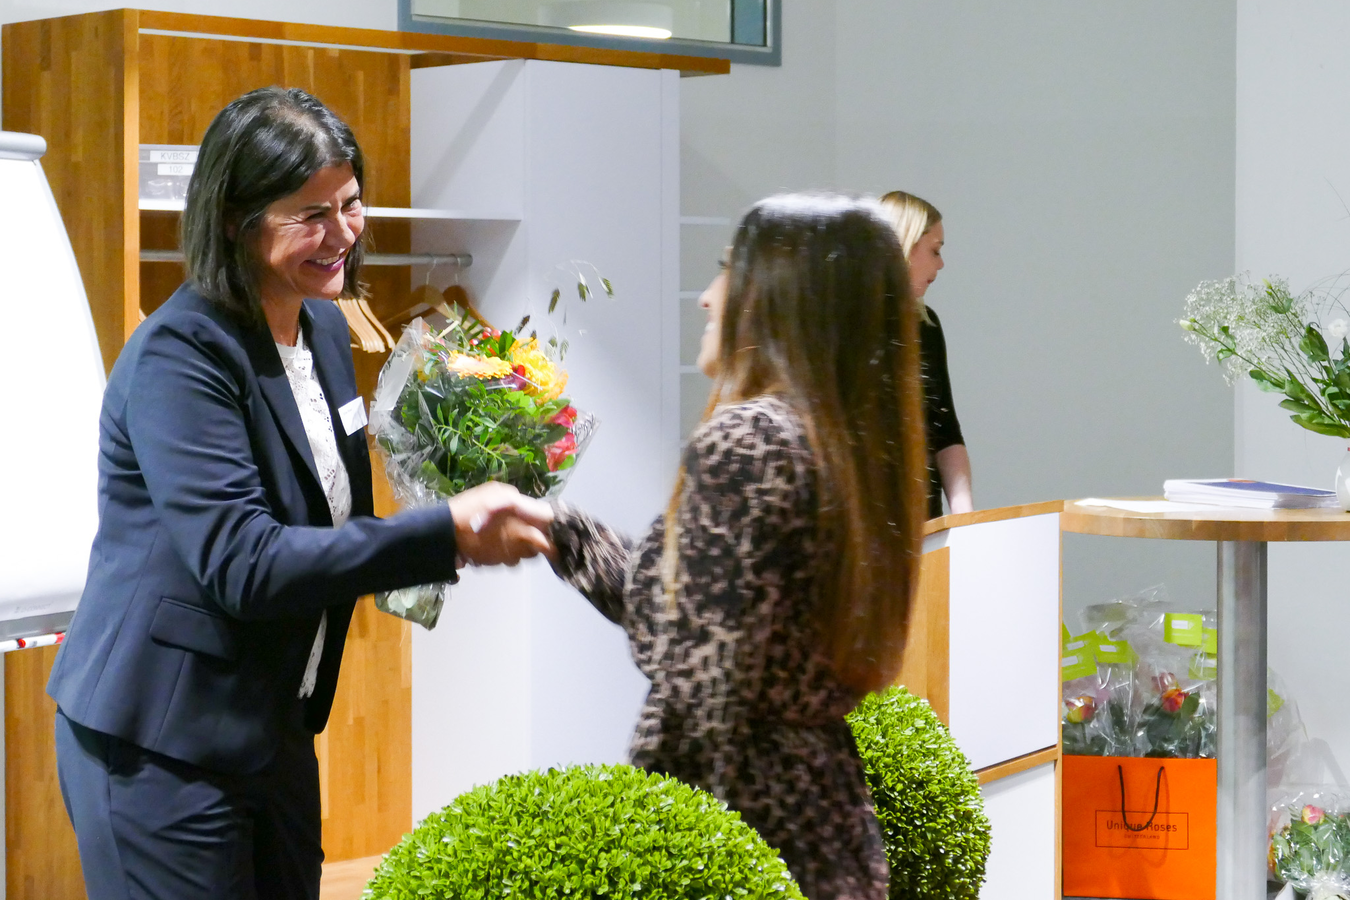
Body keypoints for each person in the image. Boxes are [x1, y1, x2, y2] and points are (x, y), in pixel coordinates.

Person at [47, 87, 551, 900]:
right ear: (234, 222)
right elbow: (244, 563)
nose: (343, 233)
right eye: (310, 215)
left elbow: (322, 512)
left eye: (350, 204)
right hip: (160, 736)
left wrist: (449, 505)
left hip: (272, 720)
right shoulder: (182, 355)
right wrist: (440, 534)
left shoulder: (322, 327)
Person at [538, 194, 927, 900]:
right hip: (827, 820)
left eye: (726, 273)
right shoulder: (847, 444)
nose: (708, 299)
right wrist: (558, 530)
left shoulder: (747, 441)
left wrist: (653, 853)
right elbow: (709, 616)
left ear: (780, 300)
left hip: (744, 830)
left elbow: (696, 677)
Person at [879, 190, 973, 517]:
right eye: (935, 250)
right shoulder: (840, 326)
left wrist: (965, 517)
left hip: (923, 521)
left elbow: (945, 431)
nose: (941, 264)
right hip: (863, 526)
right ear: (903, 245)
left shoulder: (926, 325)